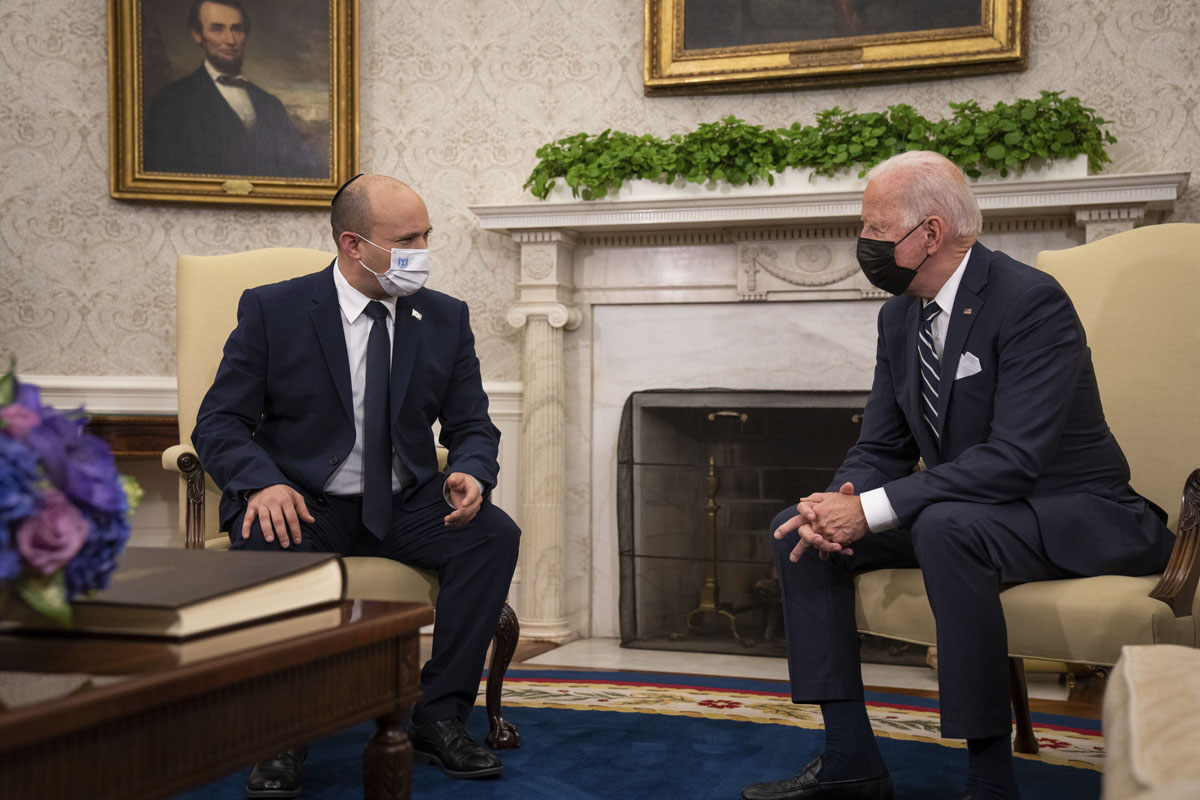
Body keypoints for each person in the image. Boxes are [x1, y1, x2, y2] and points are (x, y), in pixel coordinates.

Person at [741, 151, 1173, 800]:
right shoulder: (899, 318)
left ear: (932, 233)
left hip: (1074, 512)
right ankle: (849, 761)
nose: (863, 244)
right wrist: (839, 503)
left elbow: (1015, 458)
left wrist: (875, 510)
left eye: (876, 231)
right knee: (794, 534)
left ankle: (990, 781)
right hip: (976, 512)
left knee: (947, 526)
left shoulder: (1030, 302)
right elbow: (882, 445)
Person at [193, 174, 519, 797]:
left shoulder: (444, 317)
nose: (423, 250)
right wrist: (260, 483)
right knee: (268, 539)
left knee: (492, 535)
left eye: (426, 235)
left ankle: (440, 715)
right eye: (408, 239)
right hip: (303, 499)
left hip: (406, 501)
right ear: (353, 244)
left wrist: (470, 471)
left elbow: (472, 423)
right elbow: (220, 423)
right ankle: (282, 734)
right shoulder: (274, 309)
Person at [144, 0, 324, 178]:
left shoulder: (271, 105)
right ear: (198, 35)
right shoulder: (171, 102)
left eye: (237, 29)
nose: (230, 40)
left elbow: (303, 171)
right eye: (217, 29)